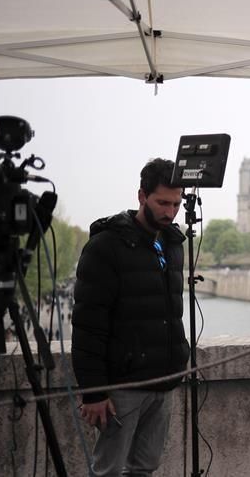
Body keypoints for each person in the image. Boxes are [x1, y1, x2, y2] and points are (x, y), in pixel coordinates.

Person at [72, 158, 190, 476]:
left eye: (176, 204)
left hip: (163, 379)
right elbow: (87, 324)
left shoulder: (173, 243)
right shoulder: (105, 247)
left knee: (145, 467)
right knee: (108, 470)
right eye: (162, 202)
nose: (170, 212)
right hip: (121, 385)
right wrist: (93, 391)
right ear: (141, 196)